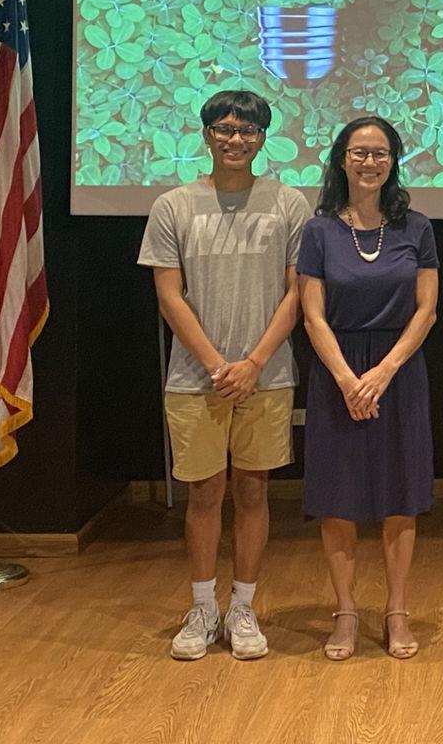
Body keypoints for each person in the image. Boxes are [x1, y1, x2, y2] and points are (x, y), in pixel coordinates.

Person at [138, 90, 308, 661]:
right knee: (205, 493)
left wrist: (254, 362)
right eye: (225, 129)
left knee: (253, 491)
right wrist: (217, 365)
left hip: (267, 373)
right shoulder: (173, 206)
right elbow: (169, 294)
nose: (236, 139)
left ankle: (243, 608)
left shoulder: (289, 203)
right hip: (195, 379)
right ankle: (203, 607)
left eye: (248, 130)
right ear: (206, 134)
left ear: (263, 138)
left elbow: (298, 292)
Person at [298, 115, 439, 661]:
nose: (369, 162)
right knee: (338, 499)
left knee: (400, 497)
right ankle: (346, 612)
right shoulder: (318, 231)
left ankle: (397, 610)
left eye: (380, 153)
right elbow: (312, 316)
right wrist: (347, 379)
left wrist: (383, 373)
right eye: (359, 152)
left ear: (393, 161)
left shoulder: (417, 227)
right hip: (338, 372)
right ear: (341, 159)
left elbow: (426, 310)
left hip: (399, 373)